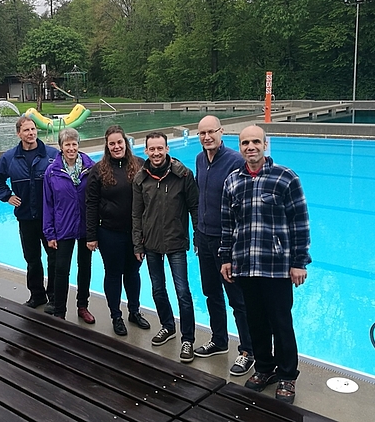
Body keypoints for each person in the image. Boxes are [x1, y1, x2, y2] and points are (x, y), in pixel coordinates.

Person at [219, 125, 311, 404]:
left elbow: (300, 222)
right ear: (240, 146)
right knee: (256, 321)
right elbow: (227, 224)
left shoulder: (285, 177)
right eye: (245, 142)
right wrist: (226, 257)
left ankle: (287, 375)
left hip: (277, 266)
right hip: (246, 265)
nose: (251, 147)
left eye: (255, 141)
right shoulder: (233, 181)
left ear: (265, 144)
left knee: (281, 322)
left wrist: (298, 262)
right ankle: (264, 368)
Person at [193, 116, 255, 376]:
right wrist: (197, 234)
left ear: (221, 132)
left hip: (226, 242)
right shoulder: (199, 159)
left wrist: (233, 246)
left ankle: (248, 351)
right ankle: (219, 339)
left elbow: (245, 206)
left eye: (211, 132)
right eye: (202, 133)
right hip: (204, 238)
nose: (207, 137)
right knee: (211, 293)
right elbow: (199, 200)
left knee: (237, 299)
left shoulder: (235, 161)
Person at [132, 132, 199, 363]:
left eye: (160, 148)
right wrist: (137, 243)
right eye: (152, 149)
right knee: (158, 289)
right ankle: (168, 326)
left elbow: (195, 208)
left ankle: (188, 339)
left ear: (167, 149)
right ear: (146, 151)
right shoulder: (140, 179)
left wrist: (197, 236)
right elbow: (136, 214)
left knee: (183, 292)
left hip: (175, 242)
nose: (156, 153)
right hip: (150, 244)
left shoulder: (183, 175)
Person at [85, 125, 151, 336]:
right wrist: (92, 235)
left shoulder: (140, 165)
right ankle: (116, 315)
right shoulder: (98, 170)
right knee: (113, 274)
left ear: (126, 143)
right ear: (107, 145)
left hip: (135, 234)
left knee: (133, 273)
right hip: (110, 233)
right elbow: (91, 204)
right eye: (112, 143)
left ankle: (134, 311)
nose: (116, 147)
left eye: (119, 142)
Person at [0, 116, 59, 310]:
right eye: (27, 130)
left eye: (33, 129)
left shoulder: (51, 155)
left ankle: (53, 297)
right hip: (26, 217)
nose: (31, 133)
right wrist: (7, 196)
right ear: (18, 133)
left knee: (54, 258)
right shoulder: (10, 157)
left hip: (49, 219)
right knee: (32, 259)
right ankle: (37, 295)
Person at [43, 128, 96, 323]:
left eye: (74, 144)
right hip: (63, 227)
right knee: (61, 269)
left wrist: (95, 229)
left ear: (78, 145)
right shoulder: (52, 171)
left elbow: (97, 199)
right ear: (61, 147)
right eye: (67, 144)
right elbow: (47, 204)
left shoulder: (91, 168)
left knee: (85, 267)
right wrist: (49, 233)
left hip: (85, 228)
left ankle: (83, 306)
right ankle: (59, 311)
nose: (71, 148)